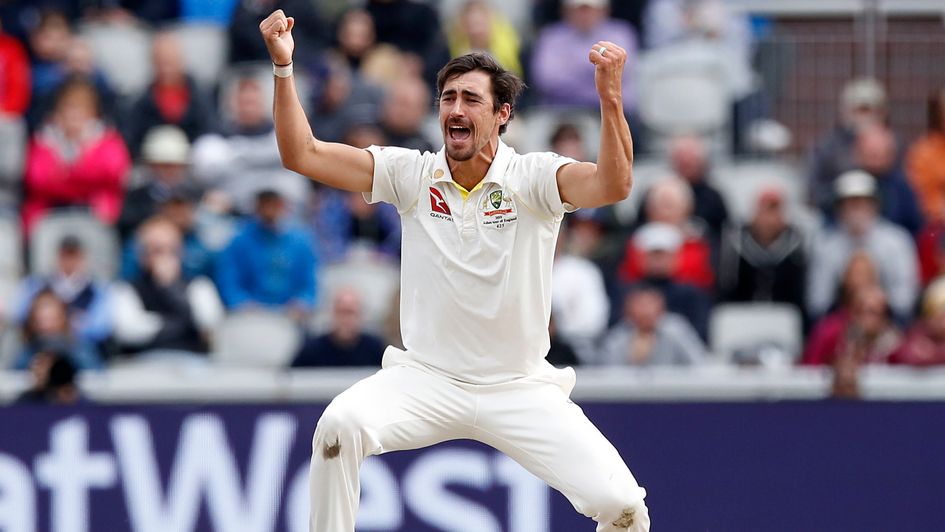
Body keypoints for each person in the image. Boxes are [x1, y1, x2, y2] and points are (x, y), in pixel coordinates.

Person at [260, 9, 649, 531]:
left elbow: (613, 186)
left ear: (502, 114)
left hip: (519, 388)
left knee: (623, 507)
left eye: (471, 99)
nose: (455, 110)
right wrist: (284, 69)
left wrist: (610, 99)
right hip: (427, 380)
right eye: (448, 98)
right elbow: (301, 154)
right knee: (338, 426)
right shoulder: (413, 174)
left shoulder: (533, 178)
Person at [22, 75, 130, 236]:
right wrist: (82, 176)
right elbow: (37, 179)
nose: (74, 114)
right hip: (51, 212)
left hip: (94, 212)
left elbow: (114, 173)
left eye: (81, 108)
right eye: (69, 107)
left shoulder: (107, 138)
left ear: (93, 112)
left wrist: (66, 173)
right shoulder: (44, 138)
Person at [807, 170, 918, 322]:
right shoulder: (826, 245)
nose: (856, 210)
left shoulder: (896, 241)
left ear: (875, 205)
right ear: (839, 208)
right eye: (850, 204)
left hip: (888, 319)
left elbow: (905, 298)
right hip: (840, 320)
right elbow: (818, 301)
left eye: (862, 203)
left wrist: (874, 305)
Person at [215, 189, 318, 322]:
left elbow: (311, 282)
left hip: (290, 316)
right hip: (250, 316)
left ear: (283, 206)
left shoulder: (301, 241)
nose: (269, 210)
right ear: (257, 207)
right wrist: (242, 303)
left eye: (274, 204)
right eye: (265, 204)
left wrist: (302, 303)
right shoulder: (239, 241)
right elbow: (228, 280)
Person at [531, 0, 638, 114]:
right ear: (565, 11)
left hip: (611, 110)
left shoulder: (621, 33)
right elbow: (546, 79)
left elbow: (619, 74)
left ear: (604, 10)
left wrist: (570, 70)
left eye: (589, 9)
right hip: (560, 111)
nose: (584, 15)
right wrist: (596, 73)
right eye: (579, 9)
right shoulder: (550, 36)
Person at [717, 186, 807, 315]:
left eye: (775, 210)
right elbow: (727, 286)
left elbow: (799, 292)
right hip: (742, 314)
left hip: (783, 314)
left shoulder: (795, 244)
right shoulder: (736, 243)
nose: (769, 219)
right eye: (765, 211)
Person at [598, 283, 706, 367]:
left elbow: (698, 364)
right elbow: (608, 374)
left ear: (661, 305)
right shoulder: (617, 337)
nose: (646, 310)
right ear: (628, 308)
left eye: (650, 303)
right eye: (640, 304)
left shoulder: (676, 329)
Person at [291, 288, 385, 367]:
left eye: (350, 312)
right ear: (332, 313)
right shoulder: (312, 350)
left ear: (361, 315)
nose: (345, 319)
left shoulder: (375, 349)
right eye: (341, 312)